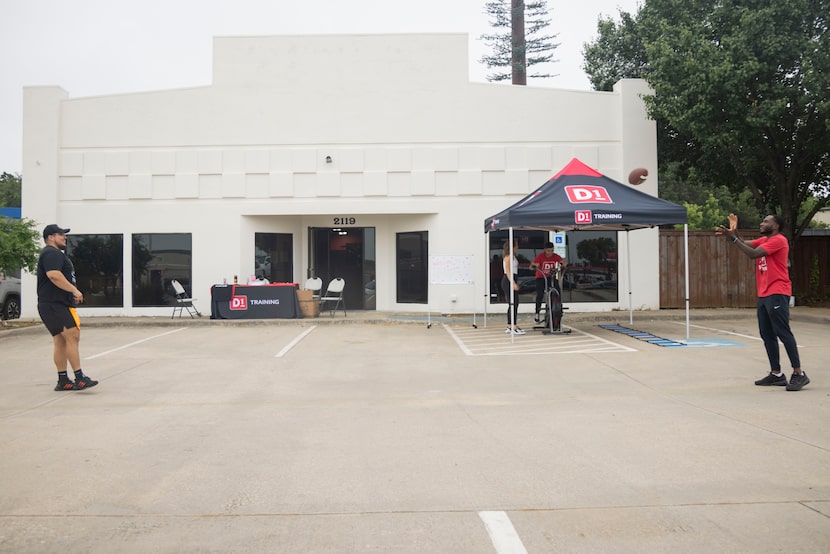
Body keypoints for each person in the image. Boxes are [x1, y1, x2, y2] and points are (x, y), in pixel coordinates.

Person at [716, 214, 809, 391]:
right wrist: (734, 231)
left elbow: (752, 254)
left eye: (766, 221)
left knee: (783, 333)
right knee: (767, 334)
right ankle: (776, 374)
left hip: (778, 292)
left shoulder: (779, 240)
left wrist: (733, 238)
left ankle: (799, 373)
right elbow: (744, 244)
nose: (762, 223)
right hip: (765, 293)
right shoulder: (765, 240)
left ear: (775, 226)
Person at [37, 224, 98, 391]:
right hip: (53, 305)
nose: (65, 237)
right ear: (51, 237)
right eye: (61, 234)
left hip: (53, 304)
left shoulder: (52, 254)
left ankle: (63, 380)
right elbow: (53, 275)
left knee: (61, 341)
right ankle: (79, 378)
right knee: (72, 336)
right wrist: (74, 290)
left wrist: (69, 294)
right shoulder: (52, 253)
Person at [529, 241, 567, 323]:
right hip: (541, 277)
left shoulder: (555, 256)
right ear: (545, 250)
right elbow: (531, 266)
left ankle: (558, 308)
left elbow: (563, 261)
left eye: (552, 251)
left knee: (557, 290)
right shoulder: (540, 256)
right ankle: (537, 313)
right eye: (548, 251)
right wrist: (534, 266)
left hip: (550, 277)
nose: (550, 253)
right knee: (540, 294)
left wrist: (564, 264)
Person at [501, 239, 524, 335]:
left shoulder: (513, 256)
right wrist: (513, 283)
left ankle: (511, 324)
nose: (517, 247)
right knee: (513, 303)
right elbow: (508, 271)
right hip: (508, 280)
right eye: (516, 245)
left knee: (514, 303)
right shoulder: (508, 257)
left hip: (513, 278)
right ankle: (512, 325)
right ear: (513, 246)